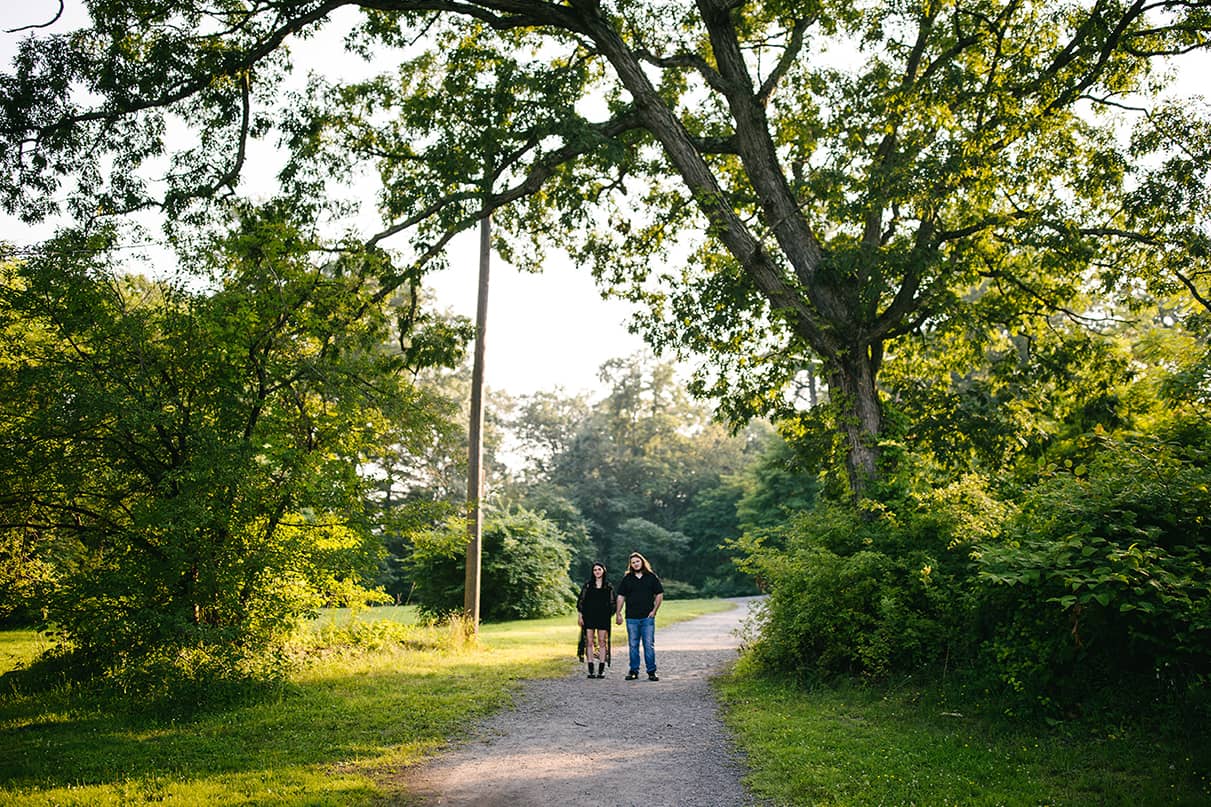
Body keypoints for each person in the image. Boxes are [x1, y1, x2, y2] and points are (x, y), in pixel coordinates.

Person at [615, 551, 663, 681]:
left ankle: (651, 672)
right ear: (630, 565)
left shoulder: (651, 577)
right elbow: (621, 596)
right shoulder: (627, 579)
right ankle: (633, 671)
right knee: (633, 645)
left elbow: (659, 594)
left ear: (642, 561)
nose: (635, 564)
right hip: (631, 618)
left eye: (637, 561)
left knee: (648, 645)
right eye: (633, 562)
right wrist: (618, 613)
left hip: (647, 618)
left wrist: (654, 611)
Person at [577, 562, 614, 678]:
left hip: (603, 617)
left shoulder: (608, 586)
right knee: (589, 641)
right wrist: (580, 616)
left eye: (599, 569)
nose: (597, 572)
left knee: (602, 641)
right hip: (589, 616)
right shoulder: (588, 585)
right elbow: (581, 602)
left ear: (603, 571)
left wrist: (609, 614)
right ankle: (591, 669)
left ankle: (601, 669)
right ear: (593, 572)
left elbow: (613, 603)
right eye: (595, 570)